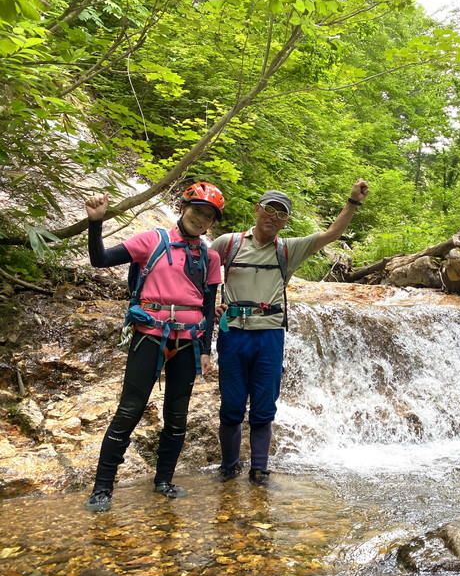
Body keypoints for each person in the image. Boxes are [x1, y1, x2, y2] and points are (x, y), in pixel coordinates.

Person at [210, 178, 369, 486]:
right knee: (231, 404)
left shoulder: (289, 249)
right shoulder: (227, 244)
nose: (273, 217)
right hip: (233, 334)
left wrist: (353, 202)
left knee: (264, 405)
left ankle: (259, 470)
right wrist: (209, 308)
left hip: (270, 335)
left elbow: (332, 234)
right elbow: (203, 279)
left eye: (281, 214)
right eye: (269, 209)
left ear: (285, 221)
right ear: (257, 210)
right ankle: (228, 469)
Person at [83, 183, 224, 512]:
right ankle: (103, 488)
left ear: (212, 223)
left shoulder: (210, 257)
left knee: (177, 416)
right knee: (129, 410)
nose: (200, 219)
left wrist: (205, 348)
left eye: (208, 216)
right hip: (149, 334)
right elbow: (99, 259)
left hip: (188, 341)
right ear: (183, 208)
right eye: (196, 211)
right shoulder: (152, 240)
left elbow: (208, 308)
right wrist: (95, 222)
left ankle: (163, 480)